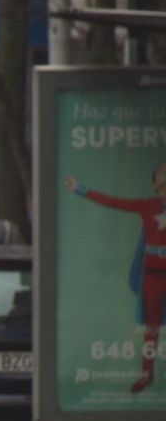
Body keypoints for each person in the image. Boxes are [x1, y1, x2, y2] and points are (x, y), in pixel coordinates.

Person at [69, 168, 166, 393]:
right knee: (151, 327)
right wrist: (81, 190)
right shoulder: (147, 206)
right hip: (153, 273)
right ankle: (146, 374)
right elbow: (114, 202)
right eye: (160, 175)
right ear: (154, 184)